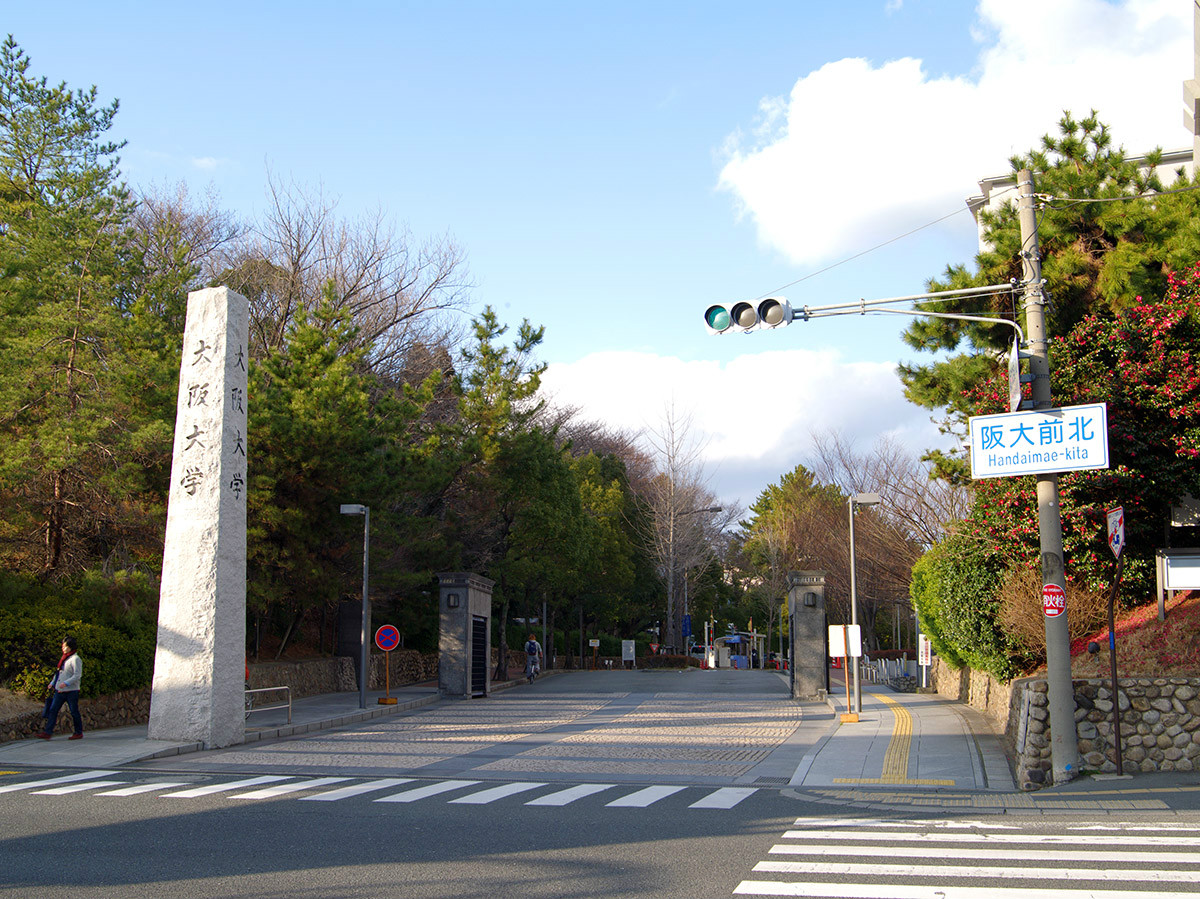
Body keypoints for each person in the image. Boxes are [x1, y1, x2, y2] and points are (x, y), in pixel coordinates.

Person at [38, 636, 83, 740]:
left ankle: (78, 732)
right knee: (53, 710)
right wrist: (53, 683)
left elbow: (77, 675)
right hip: (60, 690)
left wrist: (66, 683)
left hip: (71, 690)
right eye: (63, 646)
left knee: (74, 711)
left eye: (65, 646)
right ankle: (47, 732)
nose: (63, 648)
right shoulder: (64, 658)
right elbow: (59, 673)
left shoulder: (75, 659)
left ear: (71, 647)